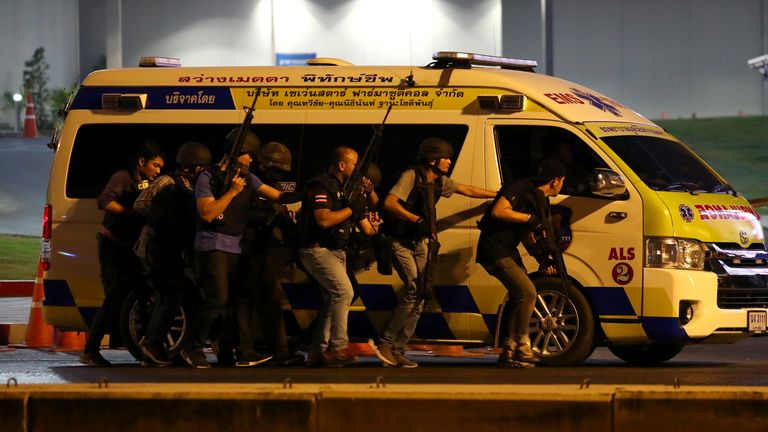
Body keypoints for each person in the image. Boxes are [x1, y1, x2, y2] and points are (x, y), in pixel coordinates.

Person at [370, 137, 496, 368]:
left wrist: (497, 194)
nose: (449, 161)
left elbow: (466, 189)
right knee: (412, 289)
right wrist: (415, 218)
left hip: (418, 241)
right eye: (446, 158)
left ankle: (398, 349)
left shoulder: (440, 182)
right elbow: (389, 202)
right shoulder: (411, 176)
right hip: (399, 240)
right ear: (432, 159)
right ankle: (385, 343)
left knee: (423, 293)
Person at [184, 129, 301, 369]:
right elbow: (207, 214)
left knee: (234, 303)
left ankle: (236, 353)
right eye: (249, 156)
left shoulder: (248, 177)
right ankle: (193, 347)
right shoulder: (208, 177)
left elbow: (277, 195)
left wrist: (307, 194)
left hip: (234, 248)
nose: (251, 161)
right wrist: (232, 192)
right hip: (212, 246)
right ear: (237, 153)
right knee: (216, 300)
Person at [475, 159, 567, 368]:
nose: (563, 186)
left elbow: (528, 235)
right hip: (494, 250)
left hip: (508, 250)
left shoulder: (540, 199)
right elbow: (499, 211)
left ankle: (509, 350)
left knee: (520, 295)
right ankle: (523, 346)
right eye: (563, 181)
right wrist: (528, 218)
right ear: (555, 181)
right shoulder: (520, 187)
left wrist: (542, 259)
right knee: (528, 292)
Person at [80, 142, 164, 367]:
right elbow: (104, 201)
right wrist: (128, 213)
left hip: (130, 247)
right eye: (155, 165)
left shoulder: (147, 181)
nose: (158, 171)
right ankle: (90, 350)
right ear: (141, 162)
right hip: (113, 246)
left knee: (144, 292)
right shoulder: (123, 176)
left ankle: (150, 348)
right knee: (114, 298)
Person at [133, 141, 212, 366]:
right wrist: (166, 219)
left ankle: (156, 348)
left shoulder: (193, 187)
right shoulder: (167, 181)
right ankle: (152, 343)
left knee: (184, 292)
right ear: (190, 166)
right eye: (200, 167)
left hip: (175, 250)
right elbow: (141, 204)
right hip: (157, 247)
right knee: (171, 293)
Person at [297, 146, 376, 368]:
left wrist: (375, 231)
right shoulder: (321, 185)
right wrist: (352, 209)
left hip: (336, 250)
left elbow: (366, 224)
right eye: (354, 163)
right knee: (344, 292)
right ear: (342, 165)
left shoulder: (346, 188)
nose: (357, 168)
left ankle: (317, 352)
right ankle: (339, 347)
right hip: (317, 249)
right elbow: (323, 220)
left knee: (333, 298)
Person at [234, 141, 304, 366]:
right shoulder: (248, 183)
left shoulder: (265, 187)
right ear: (264, 165)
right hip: (245, 249)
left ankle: (253, 350)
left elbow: (281, 212)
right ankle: (264, 352)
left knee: (255, 301)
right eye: (276, 170)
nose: (279, 175)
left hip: (258, 250)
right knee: (253, 301)